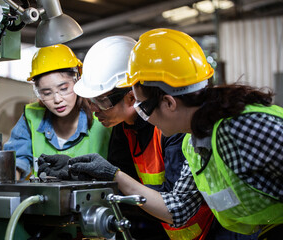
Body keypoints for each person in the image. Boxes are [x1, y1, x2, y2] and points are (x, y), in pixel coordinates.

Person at [68, 28, 282, 239]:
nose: (143, 117)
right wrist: (112, 175)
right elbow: (178, 209)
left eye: (142, 107)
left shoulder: (240, 128)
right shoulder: (194, 142)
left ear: (169, 103)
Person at [4, 44, 111, 181]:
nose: (57, 99)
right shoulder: (31, 117)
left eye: (64, 89)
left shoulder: (103, 118)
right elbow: (17, 161)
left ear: (78, 80)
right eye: (47, 93)